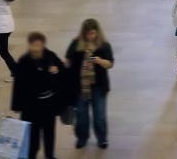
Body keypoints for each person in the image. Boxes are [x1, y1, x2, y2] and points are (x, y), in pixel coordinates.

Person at [11, 32, 66, 159]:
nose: (36, 48)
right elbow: (18, 85)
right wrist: (16, 105)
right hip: (31, 106)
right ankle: (31, 155)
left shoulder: (50, 56)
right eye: (33, 45)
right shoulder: (24, 61)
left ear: (43, 45)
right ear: (29, 45)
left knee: (49, 133)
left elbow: (62, 71)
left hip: (48, 105)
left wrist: (57, 71)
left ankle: (49, 155)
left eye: (39, 45)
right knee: (32, 136)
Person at [65, 19, 115, 149]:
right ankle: (82, 138)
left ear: (97, 32)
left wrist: (99, 61)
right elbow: (67, 61)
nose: (90, 36)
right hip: (80, 86)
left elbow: (110, 64)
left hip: (98, 86)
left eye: (92, 33)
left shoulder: (104, 45)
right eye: (87, 34)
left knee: (99, 115)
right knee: (81, 115)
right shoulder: (76, 44)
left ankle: (102, 139)